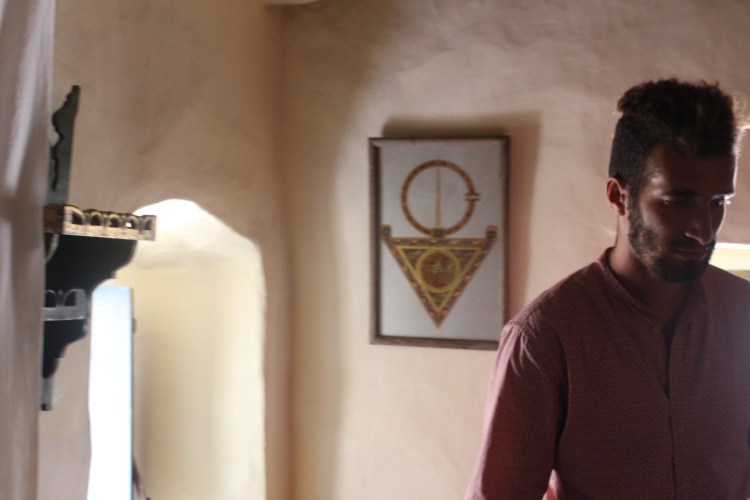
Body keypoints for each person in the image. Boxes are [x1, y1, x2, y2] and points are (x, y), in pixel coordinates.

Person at [465, 79, 750, 499]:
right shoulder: (546, 338)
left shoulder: (744, 313)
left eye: (718, 202)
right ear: (619, 196)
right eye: (676, 201)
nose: (703, 230)